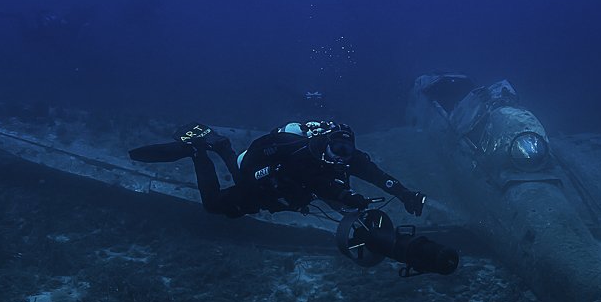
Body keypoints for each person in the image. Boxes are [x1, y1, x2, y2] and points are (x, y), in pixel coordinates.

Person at [129, 120, 427, 220]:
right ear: (325, 145)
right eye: (337, 151)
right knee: (214, 205)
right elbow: (322, 186)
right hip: (258, 173)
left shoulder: (350, 158)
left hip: (284, 189)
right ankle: (206, 149)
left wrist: (404, 194)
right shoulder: (302, 154)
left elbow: (378, 177)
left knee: (234, 213)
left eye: (347, 152)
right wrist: (348, 196)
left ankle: (217, 148)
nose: (342, 158)